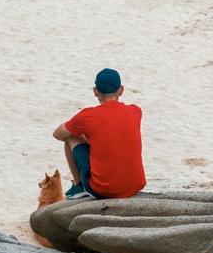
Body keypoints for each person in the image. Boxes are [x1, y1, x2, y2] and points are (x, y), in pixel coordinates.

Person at [52, 68, 146, 200]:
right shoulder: (135, 111)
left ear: (95, 91)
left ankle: (78, 185)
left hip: (103, 189)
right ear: (121, 90)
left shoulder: (88, 115)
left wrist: (85, 140)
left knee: (71, 135)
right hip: (135, 186)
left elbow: (57, 134)